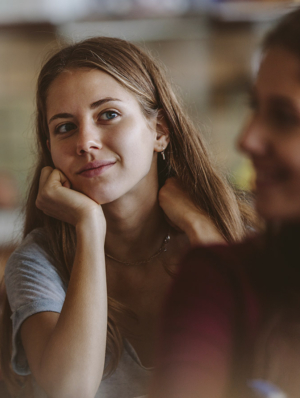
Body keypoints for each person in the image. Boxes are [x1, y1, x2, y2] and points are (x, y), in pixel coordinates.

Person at [0, 37, 253, 398]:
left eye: (108, 114)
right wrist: (89, 227)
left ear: (160, 131)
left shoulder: (241, 233)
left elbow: (271, 365)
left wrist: (202, 230)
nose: (85, 141)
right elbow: (69, 391)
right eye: (64, 127)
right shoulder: (38, 263)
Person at [149, 7, 300, 398]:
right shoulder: (218, 280)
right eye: (255, 107)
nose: (246, 139)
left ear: (159, 131)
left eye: (283, 117)